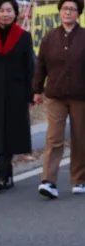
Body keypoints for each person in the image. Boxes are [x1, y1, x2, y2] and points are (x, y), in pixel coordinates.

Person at [0, 0, 35, 192]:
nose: (5, 14)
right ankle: (4, 171)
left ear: (15, 13)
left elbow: (30, 66)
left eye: (9, 10)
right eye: (2, 10)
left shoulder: (24, 37)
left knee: (11, 132)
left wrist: (32, 93)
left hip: (16, 92)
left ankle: (1, 173)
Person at [33, 0, 85, 199]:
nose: (68, 12)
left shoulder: (84, 36)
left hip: (81, 95)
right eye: (65, 9)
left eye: (72, 9)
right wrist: (37, 89)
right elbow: (41, 65)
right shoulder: (50, 37)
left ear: (78, 13)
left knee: (80, 138)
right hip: (56, 94)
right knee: (54, 138)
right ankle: (48, 181)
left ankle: (79, 179)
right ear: (59, 12)